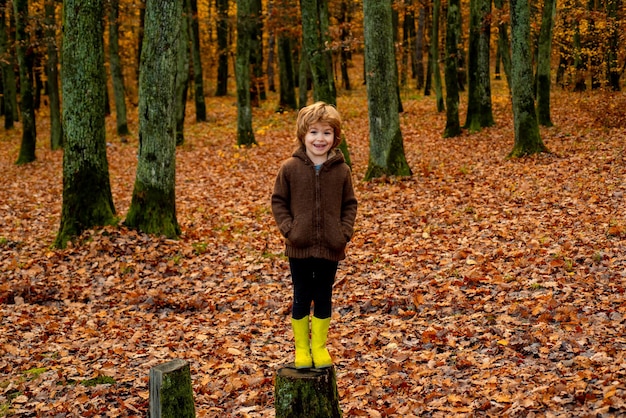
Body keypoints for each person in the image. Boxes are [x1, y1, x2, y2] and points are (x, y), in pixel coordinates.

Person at [271, 102, 358, 369]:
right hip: (300, 246)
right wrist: (290, 229)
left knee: (323, 296)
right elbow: (278, 201)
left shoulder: (342, 171)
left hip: (331, 246)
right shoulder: (290, 168)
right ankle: (301, 349)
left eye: (326, 133)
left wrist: (343, 233)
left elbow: (350, 204)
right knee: (301, 295)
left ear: (335, 137)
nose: (320, 139)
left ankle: (319, 347)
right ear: (303, 135)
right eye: (313, 132)